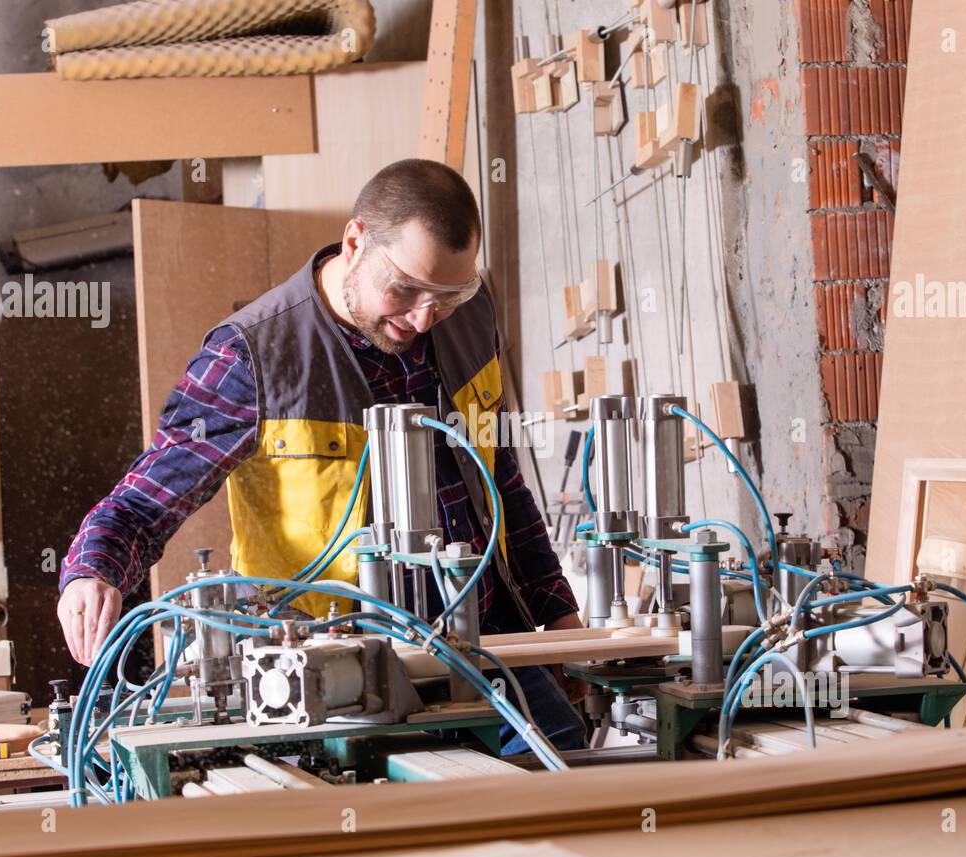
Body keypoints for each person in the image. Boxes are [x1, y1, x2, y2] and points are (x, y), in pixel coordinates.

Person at [57, 158, 587, 753]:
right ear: (355, 241)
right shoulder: (252, 359)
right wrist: (92, 572)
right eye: (405, 288)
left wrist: (560, 618)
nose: (422, 316)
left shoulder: (469, 314)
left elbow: (497, 480)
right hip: (339, 675)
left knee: (568, 771)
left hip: (486, 642)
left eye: (447, 294)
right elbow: (141, 504)